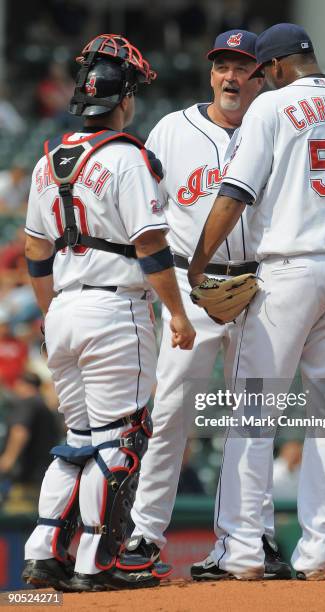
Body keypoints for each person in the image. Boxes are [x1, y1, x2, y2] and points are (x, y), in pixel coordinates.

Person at [188, 23, 325, 580]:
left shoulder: (273, 107)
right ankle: (318, 552)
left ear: (276, 67)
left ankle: (241, 553)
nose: (259, 77)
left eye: (262, 69)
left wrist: (198, 261)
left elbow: (235, 194)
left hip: (291, 269)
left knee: (254, 411)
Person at [21, 34, 195, 593]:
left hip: (64, 310)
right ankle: (97, 563)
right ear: (124, 102)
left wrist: (51, 318)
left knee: (76, 439)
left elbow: (33, 252)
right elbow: (150, 245)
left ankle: (43, 552)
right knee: (119, 439)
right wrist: (178, 313)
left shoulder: (46, 161)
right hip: (115, 310)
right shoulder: (128, 156)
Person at [118, 30, 291, 581]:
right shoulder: (172, 130)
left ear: (261, 76)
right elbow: (142, 212)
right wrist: (156, 289)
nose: (232, 77)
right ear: (211, 72)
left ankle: (251, 537)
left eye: (244, 67)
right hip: (192, 291)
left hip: (260, 288)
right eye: (223, 66)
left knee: (255, 415)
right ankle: (144, 534)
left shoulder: (278, 130)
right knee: (170, 413)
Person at [0, 372, 61, 512]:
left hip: (26, 480)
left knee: (17, 520)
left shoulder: (27, 403)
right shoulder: (44, 407)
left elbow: (20, 431)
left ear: (23, 385)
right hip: (43, 477)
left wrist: (8, 459)